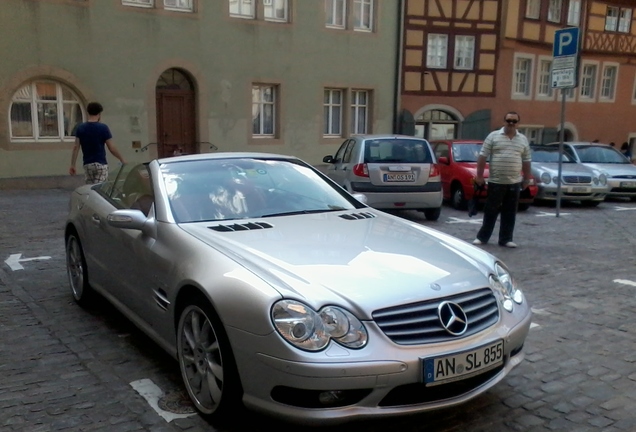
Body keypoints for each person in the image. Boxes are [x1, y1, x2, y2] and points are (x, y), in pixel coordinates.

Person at [472, 111, 532, 248]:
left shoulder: (522, 139)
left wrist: (526, 179)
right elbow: (482, 156)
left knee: (510, 212)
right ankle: (482, 237)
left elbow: (527, 160)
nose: (511, 124)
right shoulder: (493, 136)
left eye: (514, 121)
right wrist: (479, 176)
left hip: (514, 182)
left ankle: (506, 239)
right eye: (509, 121)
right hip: (496, 181)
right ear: (504, 121)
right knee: (490, 210)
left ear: (517, 123)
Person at [69, 102, 125, 184]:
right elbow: (111, 148)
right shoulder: (103, 128)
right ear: (99, 114)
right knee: (100, 190)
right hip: (100, 163)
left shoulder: (80, 128)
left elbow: (76, 147)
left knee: (91, 189)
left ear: (88, 112)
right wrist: (121, 159)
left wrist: (72, 164)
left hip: (88, 164)